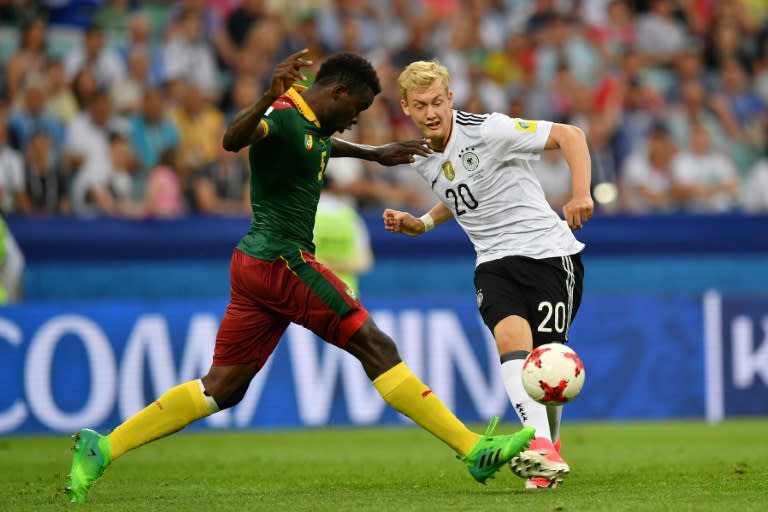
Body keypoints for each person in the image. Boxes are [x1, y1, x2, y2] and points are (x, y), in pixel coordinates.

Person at [65, 50, 535, 504]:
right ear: (339, 91)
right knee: (376, 346)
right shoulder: (284, 114)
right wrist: (267, 95)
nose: (356, 118)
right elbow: (233, 139)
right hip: (283, 261)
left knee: (222, 387)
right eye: (357, 107)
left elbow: (322, 142)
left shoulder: (311, 123)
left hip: (253, 265)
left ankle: (102, 448)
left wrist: (374, 154)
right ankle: (472, 449)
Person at [383, 60, 593, 489]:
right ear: (406, 107)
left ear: (451, 98)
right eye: (421, 105)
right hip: (493, 262)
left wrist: (581, 192)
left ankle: (546, 454)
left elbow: (572, 135)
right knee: (511, 343)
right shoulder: (421, 155)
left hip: (549, 255)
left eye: (438, 102)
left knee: (546, 365)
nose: (431, 112)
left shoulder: (487, 130)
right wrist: (421, 223)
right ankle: (541, 449)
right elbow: (462, 194)